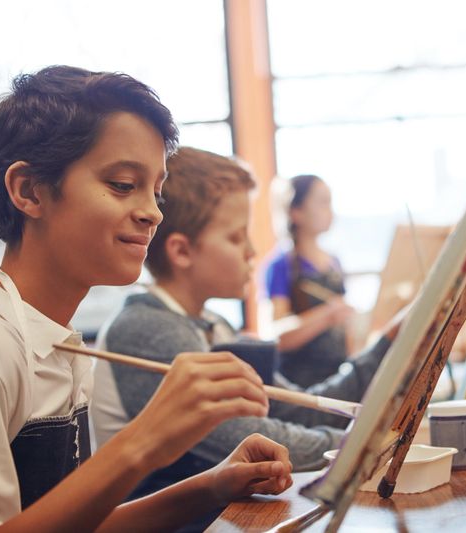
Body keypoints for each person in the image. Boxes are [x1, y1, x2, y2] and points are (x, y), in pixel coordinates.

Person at [0, 66, 292, 533]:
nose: (151, 212)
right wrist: (144, 441)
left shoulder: (53, 339)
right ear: (29, 191)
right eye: (124, 185)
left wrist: (210, 486)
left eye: (156, 191)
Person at [91, 147, 406, 497]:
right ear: (182, 252)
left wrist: (392, 340)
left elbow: (304, 407)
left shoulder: (216, 325)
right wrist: (373, 442)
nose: (251, 252)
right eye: (236, 237)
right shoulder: (147, 329)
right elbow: (259, 440)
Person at [264, 174, 355, 387]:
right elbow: (276, 335)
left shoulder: (334, 262)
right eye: (323, 202)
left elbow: (346, 330)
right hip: (300, 382)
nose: (330, 211)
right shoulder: (280, 265)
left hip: (337, 377)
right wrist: (327, 315)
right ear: (296, 212)